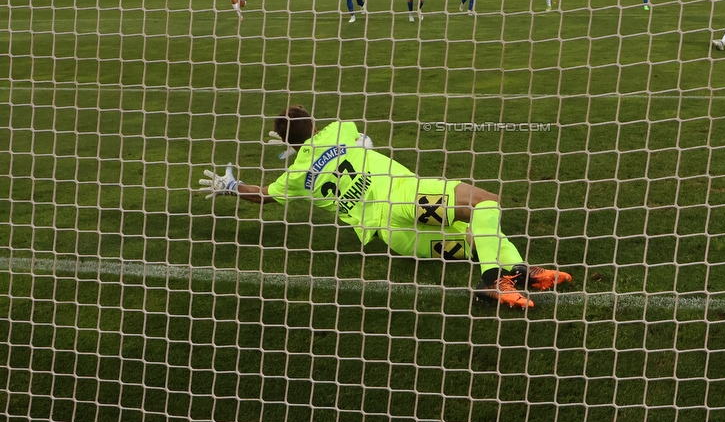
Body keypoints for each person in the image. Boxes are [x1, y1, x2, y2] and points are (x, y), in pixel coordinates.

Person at [196, 105, 572, 309]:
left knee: (476, 234)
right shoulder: (338, 129)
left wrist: (231, 187)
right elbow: (363, 138)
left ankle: (518, 273)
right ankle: (495, 279)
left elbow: (263, 195)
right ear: (313, 124)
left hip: (395, 236)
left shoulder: (294, 175)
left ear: (286, 142)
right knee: (486, 203)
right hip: (403, 195)